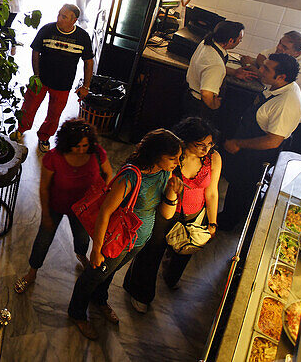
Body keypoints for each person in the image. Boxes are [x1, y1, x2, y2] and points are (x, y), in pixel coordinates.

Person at [67, 129, 182, 340]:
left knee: (110, 272)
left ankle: (100, 299)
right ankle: (76, 313)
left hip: (138, 239)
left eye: (178, 157)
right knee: (93, 275)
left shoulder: (165, 173)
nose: (177, 162)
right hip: (117, 239)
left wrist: (172, 193)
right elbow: (105, 212)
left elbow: (165, 213)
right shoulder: (132, 175)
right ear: (157, 154)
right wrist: (97, 249)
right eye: (172, 158)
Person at [122, 117, 221, 311]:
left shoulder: (213, 158)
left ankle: (171, 277)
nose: (205, 149)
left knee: (186, 248)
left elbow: (212, 191)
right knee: (153, 251)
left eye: (209, 144)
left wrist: (213, 221)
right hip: (167, 209)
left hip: (195, 213)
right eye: (200, 144)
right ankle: (140, 292)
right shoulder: (174, 155)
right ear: (185, 140)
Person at [14, 119, 114, 294]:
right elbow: (44, 187)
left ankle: (81, 256)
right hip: (56, 205)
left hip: (83, 209)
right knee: (43, 240)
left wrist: (102, 196)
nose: (81, 149)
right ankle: (32, 273)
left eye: (85, 145)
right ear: (67, 143)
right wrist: (45, 214)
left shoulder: (97, 153)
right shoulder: (54, 158)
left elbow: (108, 172)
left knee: (82, 238)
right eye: (77, 146)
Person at [217, 53, 301, 231]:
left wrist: (239, 144)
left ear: (281, 77)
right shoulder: (279, 86)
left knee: (243, 186)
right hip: (249, 141)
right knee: (236, 182)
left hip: (258, 152)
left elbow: (273, 141)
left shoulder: (286, 103)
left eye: (266, 69)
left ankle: (228, 222)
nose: (260, 70)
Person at [12, 4, 94, 153]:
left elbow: (88, 62)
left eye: (64, 17)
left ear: (74, 20)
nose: (59, 19)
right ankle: (20, 129)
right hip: (41, 79)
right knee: (29, 107)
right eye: (59, 14)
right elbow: (36, 51)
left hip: (63, 84)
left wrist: (86, 86)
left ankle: (44, 136)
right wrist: (36, 76)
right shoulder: (47, 29)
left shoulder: (82, 37)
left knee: (54, 114)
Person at [240, 31, 301, 156]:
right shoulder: (285, 50)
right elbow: (262, 56)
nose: (279, 47)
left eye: (284, 47)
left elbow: (268, 80)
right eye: (280, 43)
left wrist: (249, 65)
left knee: (290, 156)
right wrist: (265, 68)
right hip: (288, 111)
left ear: (297, 53)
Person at [184, 20, 248, 134]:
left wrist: (234, 72)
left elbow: (206, 68)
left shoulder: (207, 42)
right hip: (199, 106)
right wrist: (214, 105)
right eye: (240, 39)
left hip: (189, 96)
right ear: (230, 41)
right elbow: (206, 93)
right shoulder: (216, 64)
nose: (240, 41)